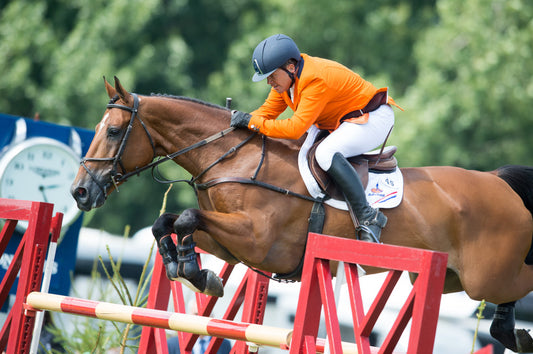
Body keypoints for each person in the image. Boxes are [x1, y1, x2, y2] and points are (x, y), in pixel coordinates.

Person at [230, 34, 402, 242]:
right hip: (342, 121)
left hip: (373, 119)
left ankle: (368, 216)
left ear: (291, 67)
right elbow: (264, 113)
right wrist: (236, 124)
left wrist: (251, 123)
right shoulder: (285, 82)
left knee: (325, 153)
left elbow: (294, 128)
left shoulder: (314, 79)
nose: (269, 81)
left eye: (272, 75)